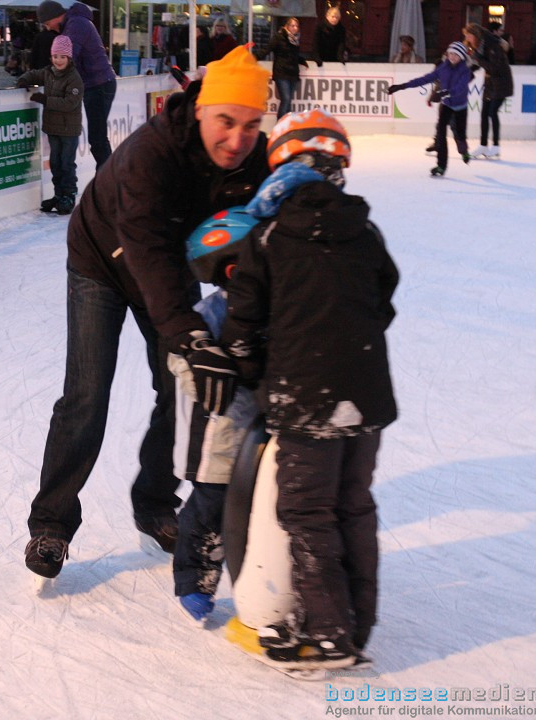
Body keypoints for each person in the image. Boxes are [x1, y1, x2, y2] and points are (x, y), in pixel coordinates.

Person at [23, 46, 272, 580]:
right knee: (87, 394)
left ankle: (156, 503)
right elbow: (146, 248)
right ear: (202, 106)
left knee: (179, 387)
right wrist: (189, 334)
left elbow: (267, 224)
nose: (237, 139)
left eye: (251, 125)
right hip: (102, 260)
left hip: (167, 262)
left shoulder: (254, 157)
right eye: (227, 121)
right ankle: (52, 523)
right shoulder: (151, 154)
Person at [219, 108, 398, 669]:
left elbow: (243, 325)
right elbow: (383, 299)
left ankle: (327, 634)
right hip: (366, 398)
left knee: (308, 511)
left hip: (303, 398)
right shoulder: (365, 231)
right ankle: (356, 626)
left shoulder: (268, 236)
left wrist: (252, 373)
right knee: (353, 506)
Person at [170, 208, 261, 625]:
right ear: (233, 267)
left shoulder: (270, 306)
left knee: (260, 509)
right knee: (210, 510)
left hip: (258, 433)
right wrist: (211, 380)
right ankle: (195, 580)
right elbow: (177, 356)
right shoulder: (210, 312)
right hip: (216, 435)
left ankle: (261, 584)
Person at [36, 0, 117, 167]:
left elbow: (68, 58)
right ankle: (107, 180)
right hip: (96, 84)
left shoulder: (76, 25)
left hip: (99, 84)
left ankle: (108, 181)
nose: (48, 28)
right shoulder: (73, 24)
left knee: (97, 137)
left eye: (47, 23)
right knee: (97, 136)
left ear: (55, 16)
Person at [16, 34, 84, 215]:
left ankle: (69, 196)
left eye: (62, 57)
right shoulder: (48, 72)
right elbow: (33, 73)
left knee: (66, 163)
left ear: (69, 58)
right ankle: (58, 194)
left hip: (69, 129)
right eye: (55, 57)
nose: (58, 60)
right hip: (53, 128)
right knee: (55, 162)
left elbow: (70, 103)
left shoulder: (74, 78)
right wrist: (23, 80)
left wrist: (45, 99)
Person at [388, 41, 473, 176]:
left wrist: (444, 93)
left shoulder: (465, 71)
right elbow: (424, 79)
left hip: (460, 106)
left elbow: (460, 88)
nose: (452, 57)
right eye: (450, 53)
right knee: (440, 134)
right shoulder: (443, 68)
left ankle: (464, 151)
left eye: (456, 55)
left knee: (460, 135)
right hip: (446, 105)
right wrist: (401, 86)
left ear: (462, 57)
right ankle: (441, 166)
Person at [464, 22, 513, 159]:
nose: (468, 39)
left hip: (502, 83)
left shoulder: (492, 46)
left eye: (469, 36)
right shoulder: (480, 47)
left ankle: (496, 146)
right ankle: (483, 145)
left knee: (492, 112)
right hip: (490, 83)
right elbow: (478, 65)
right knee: (484, 113)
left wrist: (477, 59)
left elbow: (494, 67)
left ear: (476, 35)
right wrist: (464, 76)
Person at [264, 17, 307, 119]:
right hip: (281, 72)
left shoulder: (295, 39)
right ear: (287, 26)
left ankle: (287, 125)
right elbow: (267, 49)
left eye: (297, 26)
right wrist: (255, 57)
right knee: (286, 99)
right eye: (292, 26)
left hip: (292, 73)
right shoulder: (279, 37)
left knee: (289, 101)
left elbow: (293, 55)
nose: (295, 28)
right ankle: (280, 125)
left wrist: (302, 60)